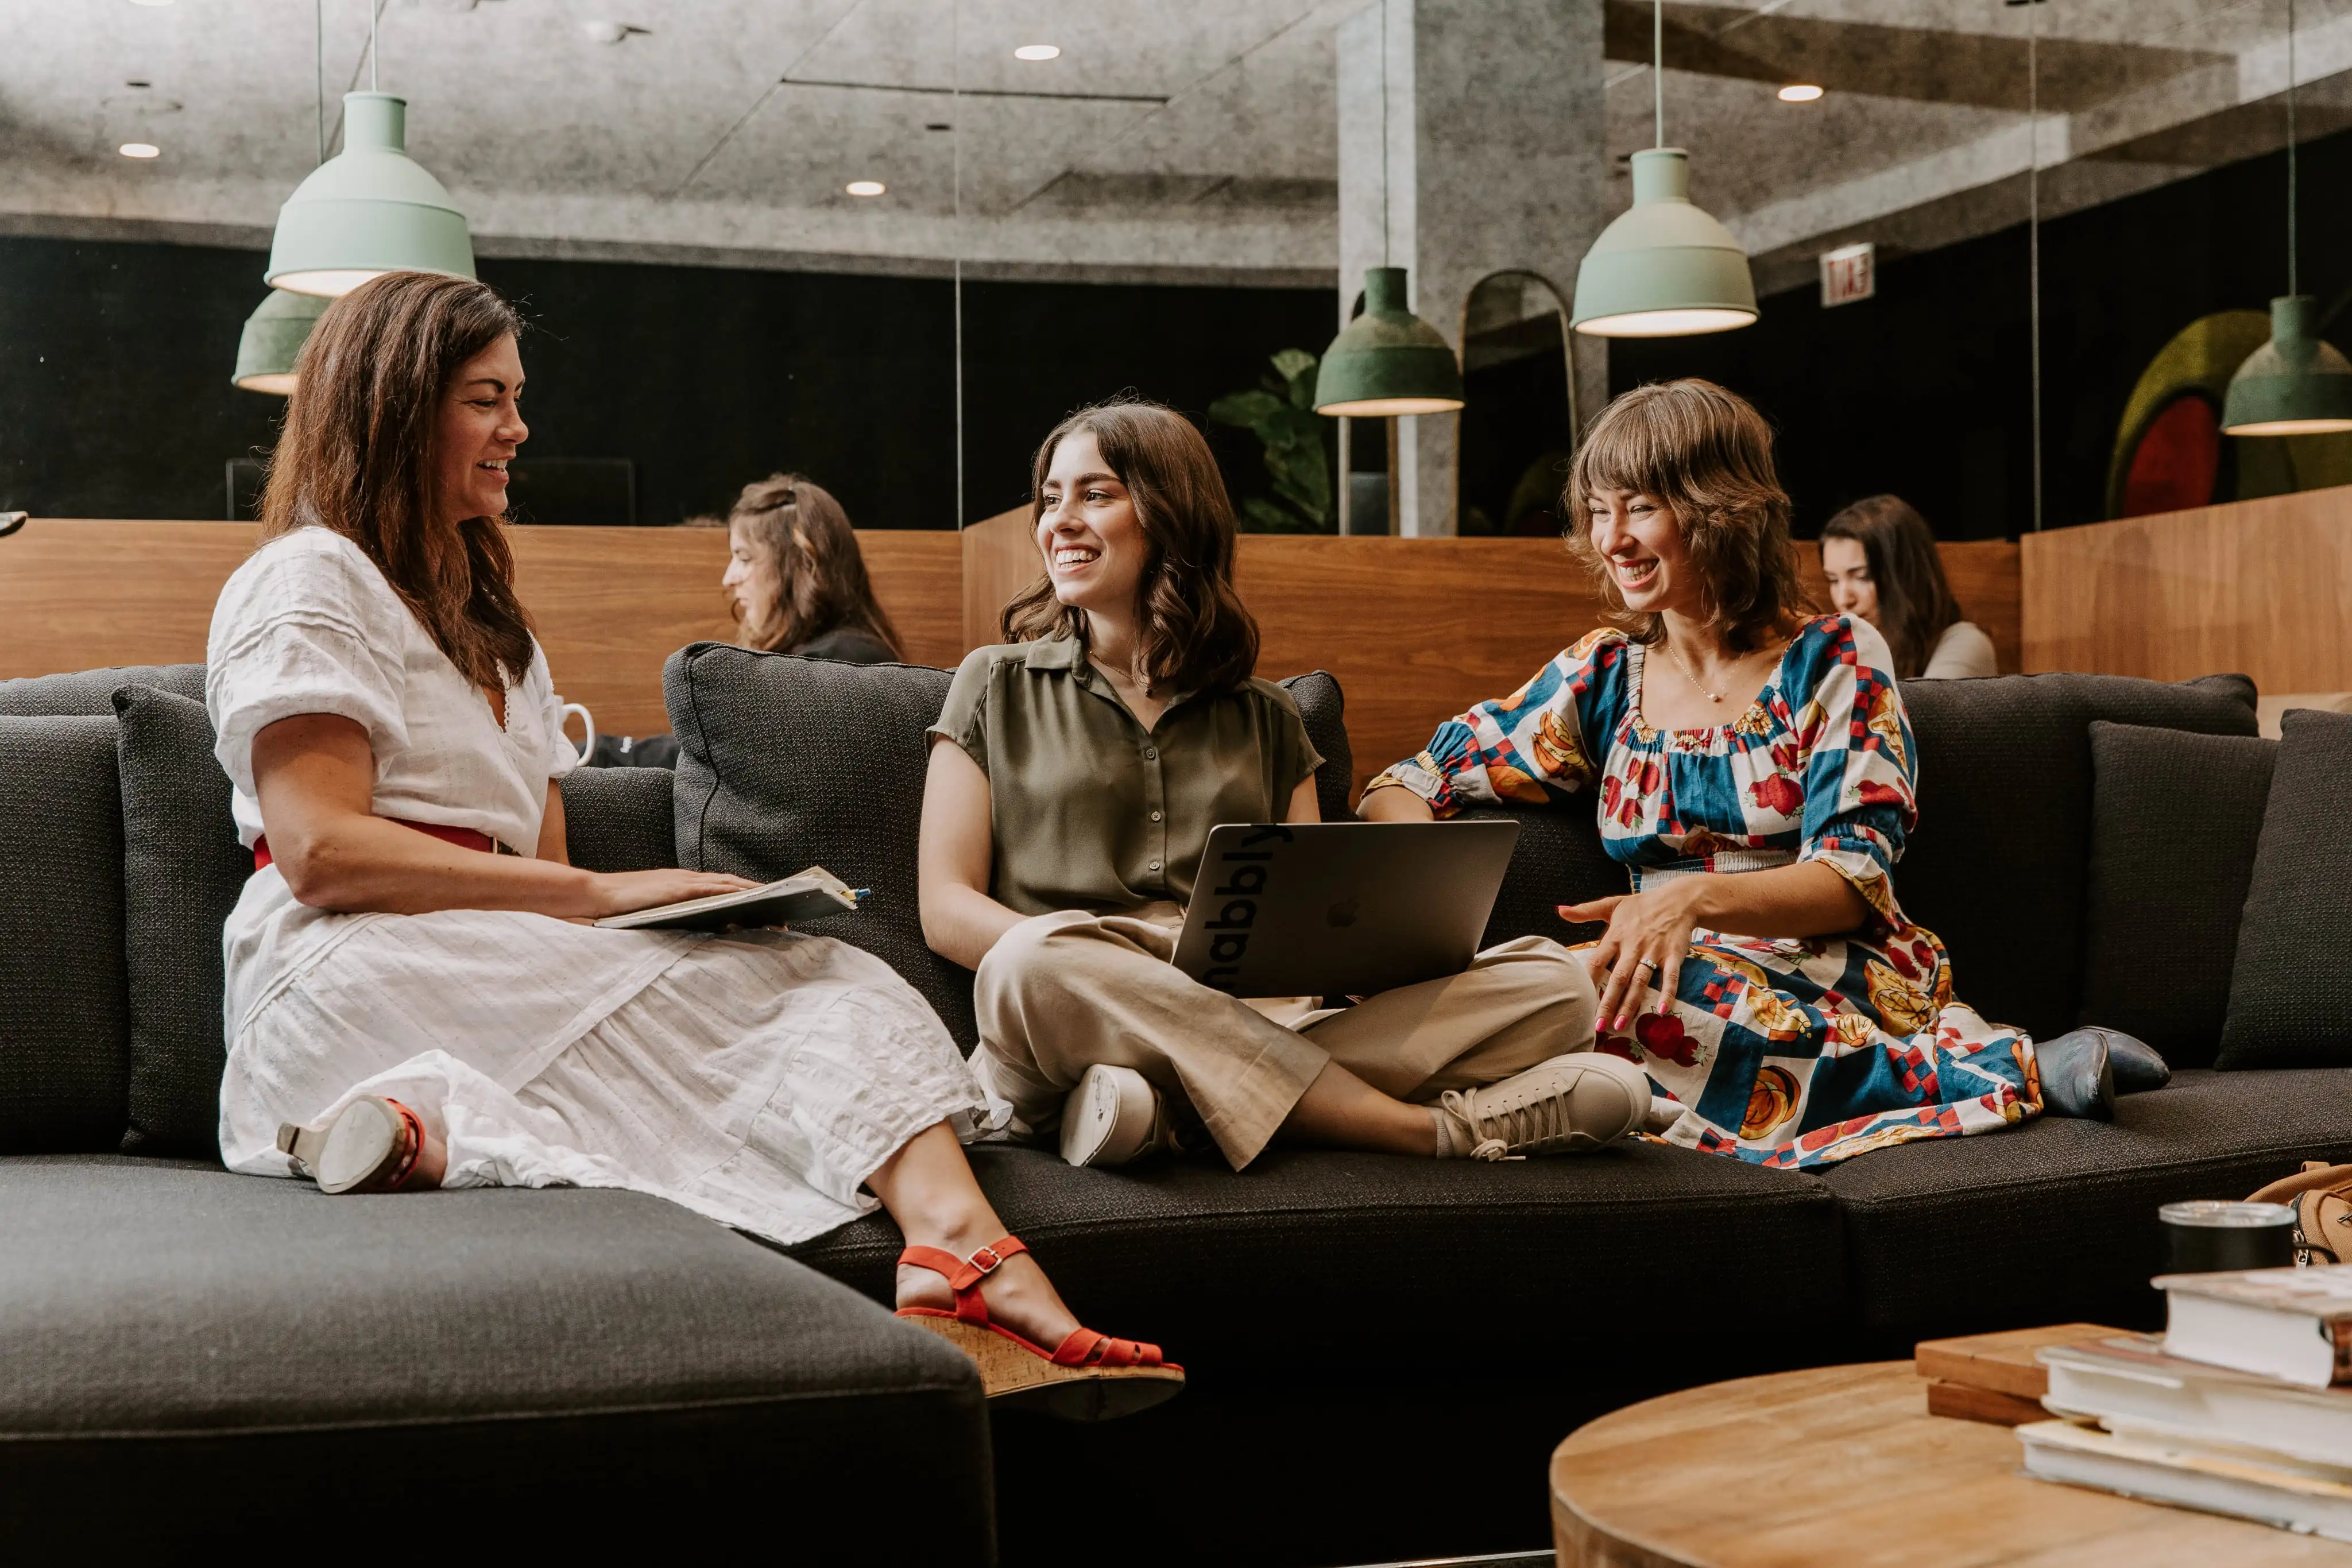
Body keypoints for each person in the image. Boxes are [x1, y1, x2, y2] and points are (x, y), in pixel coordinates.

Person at [207, 271, 1177, 1418]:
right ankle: (431, 1120)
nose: (519, 427)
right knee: (777, 993)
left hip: (493, 958)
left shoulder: (499, 634)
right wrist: (605, 897)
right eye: (486, 399)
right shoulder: (311, 579)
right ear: (394, 404)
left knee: (822, 968)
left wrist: (663, 910)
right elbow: (321, 852)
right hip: (348, 963)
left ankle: (953, 1248)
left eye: (516, 397)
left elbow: (535, 857)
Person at [1359, 380, 2165, 1166]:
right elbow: (1419, 775)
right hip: (1656, 965)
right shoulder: (1600, 674)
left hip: (1827, 967)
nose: (1611, 539)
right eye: (1599, 511)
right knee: (1568, 986)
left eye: (1640, 506)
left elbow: (1852, 877)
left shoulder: (1834, 656)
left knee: (1640, 1005)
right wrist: (1423, 905)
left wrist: (1687, 899)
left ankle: (1999, 1069)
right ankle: (1392, 1088)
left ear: (1719, 508)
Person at [918, 398, 1653, 1173]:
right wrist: (1147, 975)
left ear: (1172, 515)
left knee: (1558, 984)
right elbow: (946, 909)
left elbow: (1309, 933)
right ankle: (1426, 1129)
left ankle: (1161, 1110)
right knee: (1029, 957)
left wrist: (1372, 955)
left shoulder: (1268, 715)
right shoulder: (993, 682)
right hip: (1067, 1009)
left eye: (1095, 494)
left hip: (1259, 1017)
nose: (1058, 519)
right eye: (1051, 497)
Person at [722, 473, 902, 663]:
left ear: (799, 565)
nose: (728, 579)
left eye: (744, 558)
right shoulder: (808, 655)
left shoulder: (843, 660)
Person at [1819, 494, 1998, 680]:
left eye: (1863, 577)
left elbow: (1921, 708)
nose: (1844, 600)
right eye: (1833, 581)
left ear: (1906, 576)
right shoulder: (1847, 651)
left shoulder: (1966, 643)